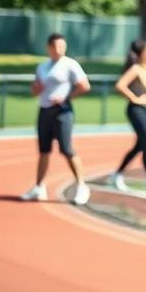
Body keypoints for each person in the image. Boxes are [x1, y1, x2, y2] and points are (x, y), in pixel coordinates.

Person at [21, 32, 92, 205]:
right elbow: (34, 90)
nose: (60, 49)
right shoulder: (42, 67)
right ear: (49, 47)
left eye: (62, 46)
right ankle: (39, 187)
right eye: (56, 46)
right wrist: (36, 88)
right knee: (44, 151)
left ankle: (81, 186)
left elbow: (85, 86)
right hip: (45, 111)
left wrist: (67, 97)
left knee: (66, 149)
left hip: (62, 112)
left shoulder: (70, 65)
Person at [108, 39, 146, 192]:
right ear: (142, 54)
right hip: (135, 109)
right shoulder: (135, 69)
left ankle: (117, 174)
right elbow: (120, 85)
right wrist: (133, 97)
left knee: (141, 144)